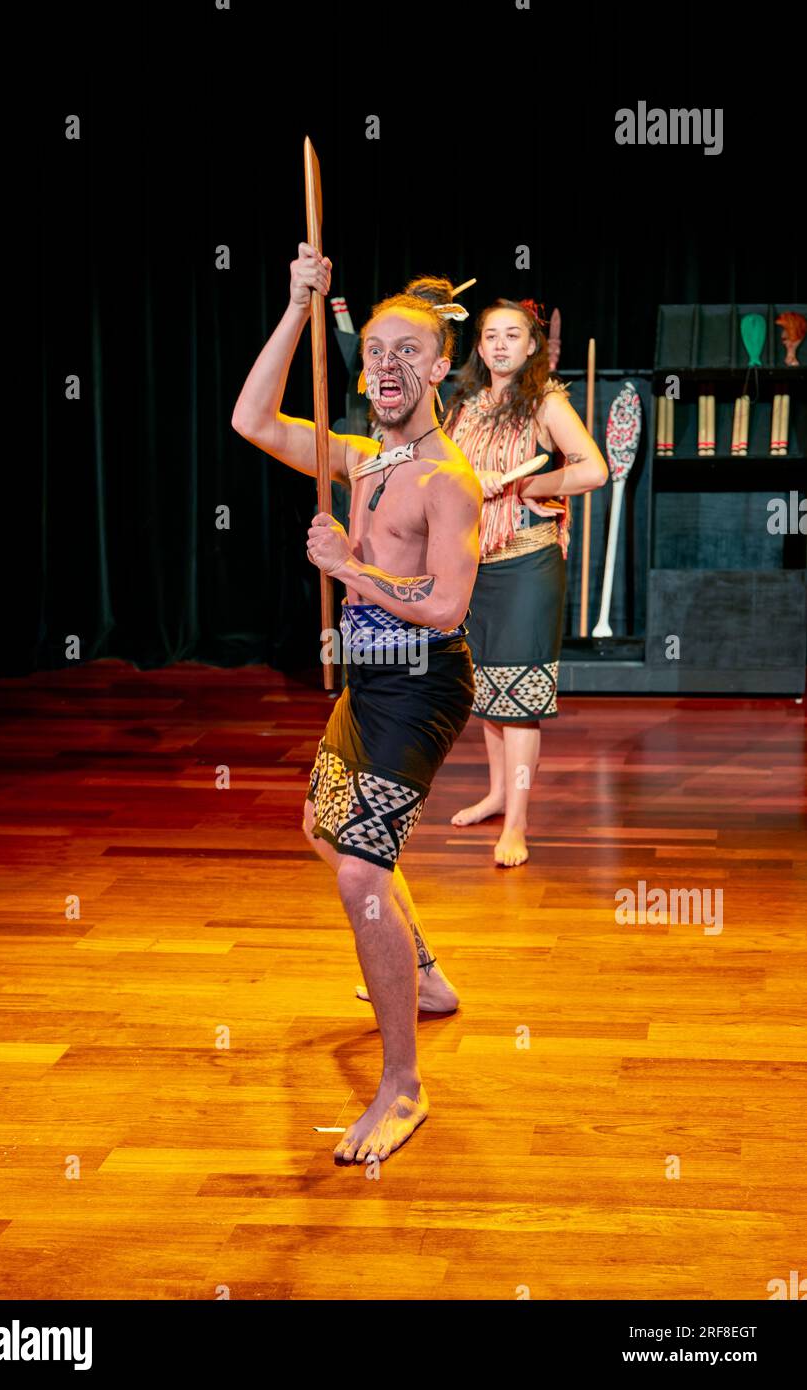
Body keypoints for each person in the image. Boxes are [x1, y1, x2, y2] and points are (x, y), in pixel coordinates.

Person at [232, 248, 481, 1163]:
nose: (386, 365)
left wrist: (351, 570)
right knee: (322, 827)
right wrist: (299, 306)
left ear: (440, 365)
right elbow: (251, 416)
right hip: (366, 681)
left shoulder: (444, 478)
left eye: (408, 351)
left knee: (359, 875)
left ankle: (405, 1087)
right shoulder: (366, 460)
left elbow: (448, 606)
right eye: (374, 349)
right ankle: (424, 975)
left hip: (420, 684)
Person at [443, 298, 608, 865]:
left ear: (533, 344)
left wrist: (534, 488)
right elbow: (446, 472)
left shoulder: (546, 400)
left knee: (519, 699)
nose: (500, 345)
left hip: (527, 564)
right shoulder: (465, 404)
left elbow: (592, 467)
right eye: (490, 335)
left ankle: (517, 823)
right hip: (474, 565)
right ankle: (495, 793)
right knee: (489, 688)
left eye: (513, 335)